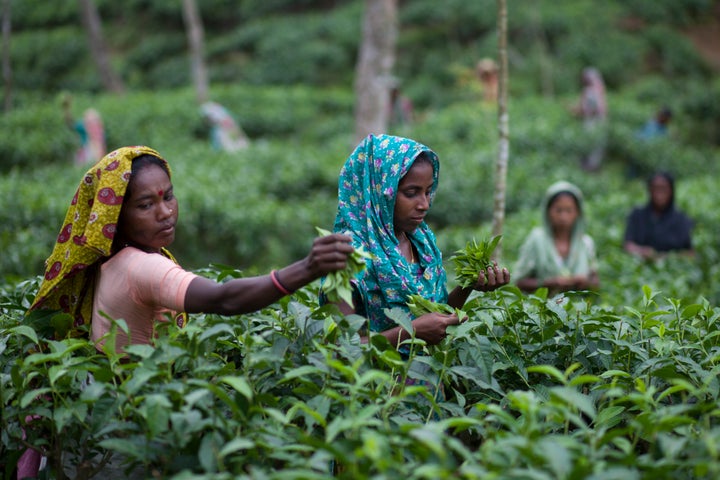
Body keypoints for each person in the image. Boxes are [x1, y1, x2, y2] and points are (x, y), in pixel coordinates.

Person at [28, 145, 354, 352]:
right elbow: (222, 298)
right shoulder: (140, 268)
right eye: (145, 205)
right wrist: (307, 268)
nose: (166, 212)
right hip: (134, 421)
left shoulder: (112, 260)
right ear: (114, 217)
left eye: (168, 196)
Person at [327, 134, 510, 352]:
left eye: (428, 191)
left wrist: (469, 285)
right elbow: (339, 350)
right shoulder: (345, 257)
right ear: (380, 191)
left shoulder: (421, 241)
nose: (424, 204)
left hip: (429, 381)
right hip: (377, 384)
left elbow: (434, 319)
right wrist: (409, 333)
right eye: (411, 193)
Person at [513, 181, 600, 295]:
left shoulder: (585, 243)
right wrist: (548, 283)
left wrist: (584, 282)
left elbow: (596, 283)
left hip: (578, 310)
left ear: (578, 213)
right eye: (558, 210)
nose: (563, 217)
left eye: (569, 210)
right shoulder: (537, 239)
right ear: (548, 211)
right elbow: (519, 283)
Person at [623, 171, 694, 260]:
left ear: (671, 191)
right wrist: (641, 251)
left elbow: (691, 253)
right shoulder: (637, 215)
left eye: (663, 188)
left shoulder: (682, 220)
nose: (659, 194)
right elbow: (628, 245)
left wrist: (667, 257)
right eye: (655, 188)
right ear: (650, 190)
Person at [571, 67, 608, 172]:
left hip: (593, 123)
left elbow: (591, 110)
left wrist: (577, 110)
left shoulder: (592, 91)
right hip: (595, 123)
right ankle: (590, 167)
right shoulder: (596, 90)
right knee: (593, 146)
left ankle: (590, 168)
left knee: (592, 146)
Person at [62, 94, 107, 166]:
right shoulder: (83, 126)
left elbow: (102, 146)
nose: (92, 122)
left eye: (94, 119)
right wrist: (66, 109)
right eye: (90, 120)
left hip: (97, 156)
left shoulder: (100, 130)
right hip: (85, 154)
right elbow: (70, 124)